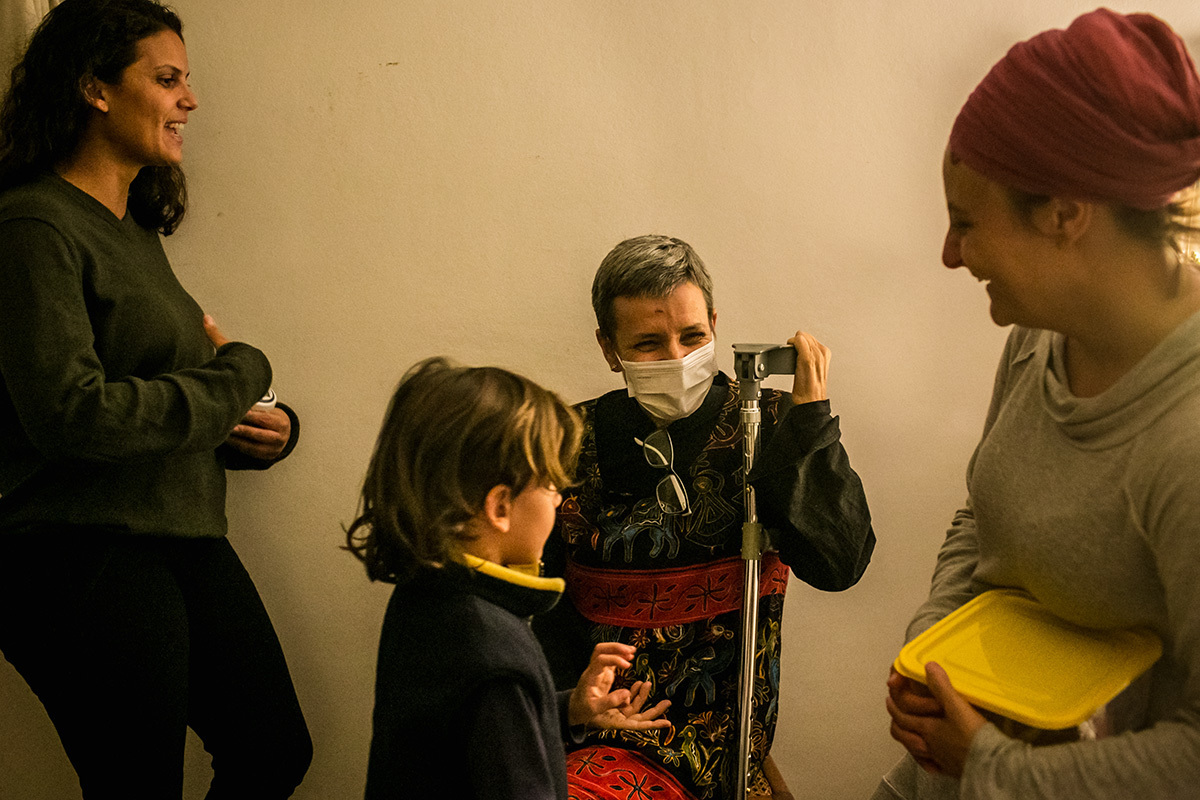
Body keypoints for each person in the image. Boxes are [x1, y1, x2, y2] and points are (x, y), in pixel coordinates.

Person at [876, 8, 1200, 800]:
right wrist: (933, 658)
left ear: (1064, 214)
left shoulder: (1186, 440)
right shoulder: (1039, 337)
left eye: (965, 222)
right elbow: (983, 520)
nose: (951, 255)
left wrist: (994, 766)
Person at [0, 1, 311, 797]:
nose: (190, 100)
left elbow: (154, 393)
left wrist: (251, 428)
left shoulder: (133, 231)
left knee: (273, 749)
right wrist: (240, 372)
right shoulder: (33, 225)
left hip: (178, 531)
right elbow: (73, 415)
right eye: (167, 79)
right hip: (79, 548)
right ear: (94, 90)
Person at [532, 234, 876, 799]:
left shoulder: (764, 427)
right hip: (590, 726)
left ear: (714, 324)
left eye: (693, 336)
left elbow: (839, 564)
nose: (676, 357)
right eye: (647, 342)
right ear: (608, 348)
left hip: (717, 735)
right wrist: (569, 707)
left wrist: (810, 421)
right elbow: (534, 602)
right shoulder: (565, 440)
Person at [345, 357, 672, 799]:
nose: (558, 500)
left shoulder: (426, 593)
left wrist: (570, 708)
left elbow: (473, 739)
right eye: (551, 484)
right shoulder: (493, 650)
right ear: (500, 507)